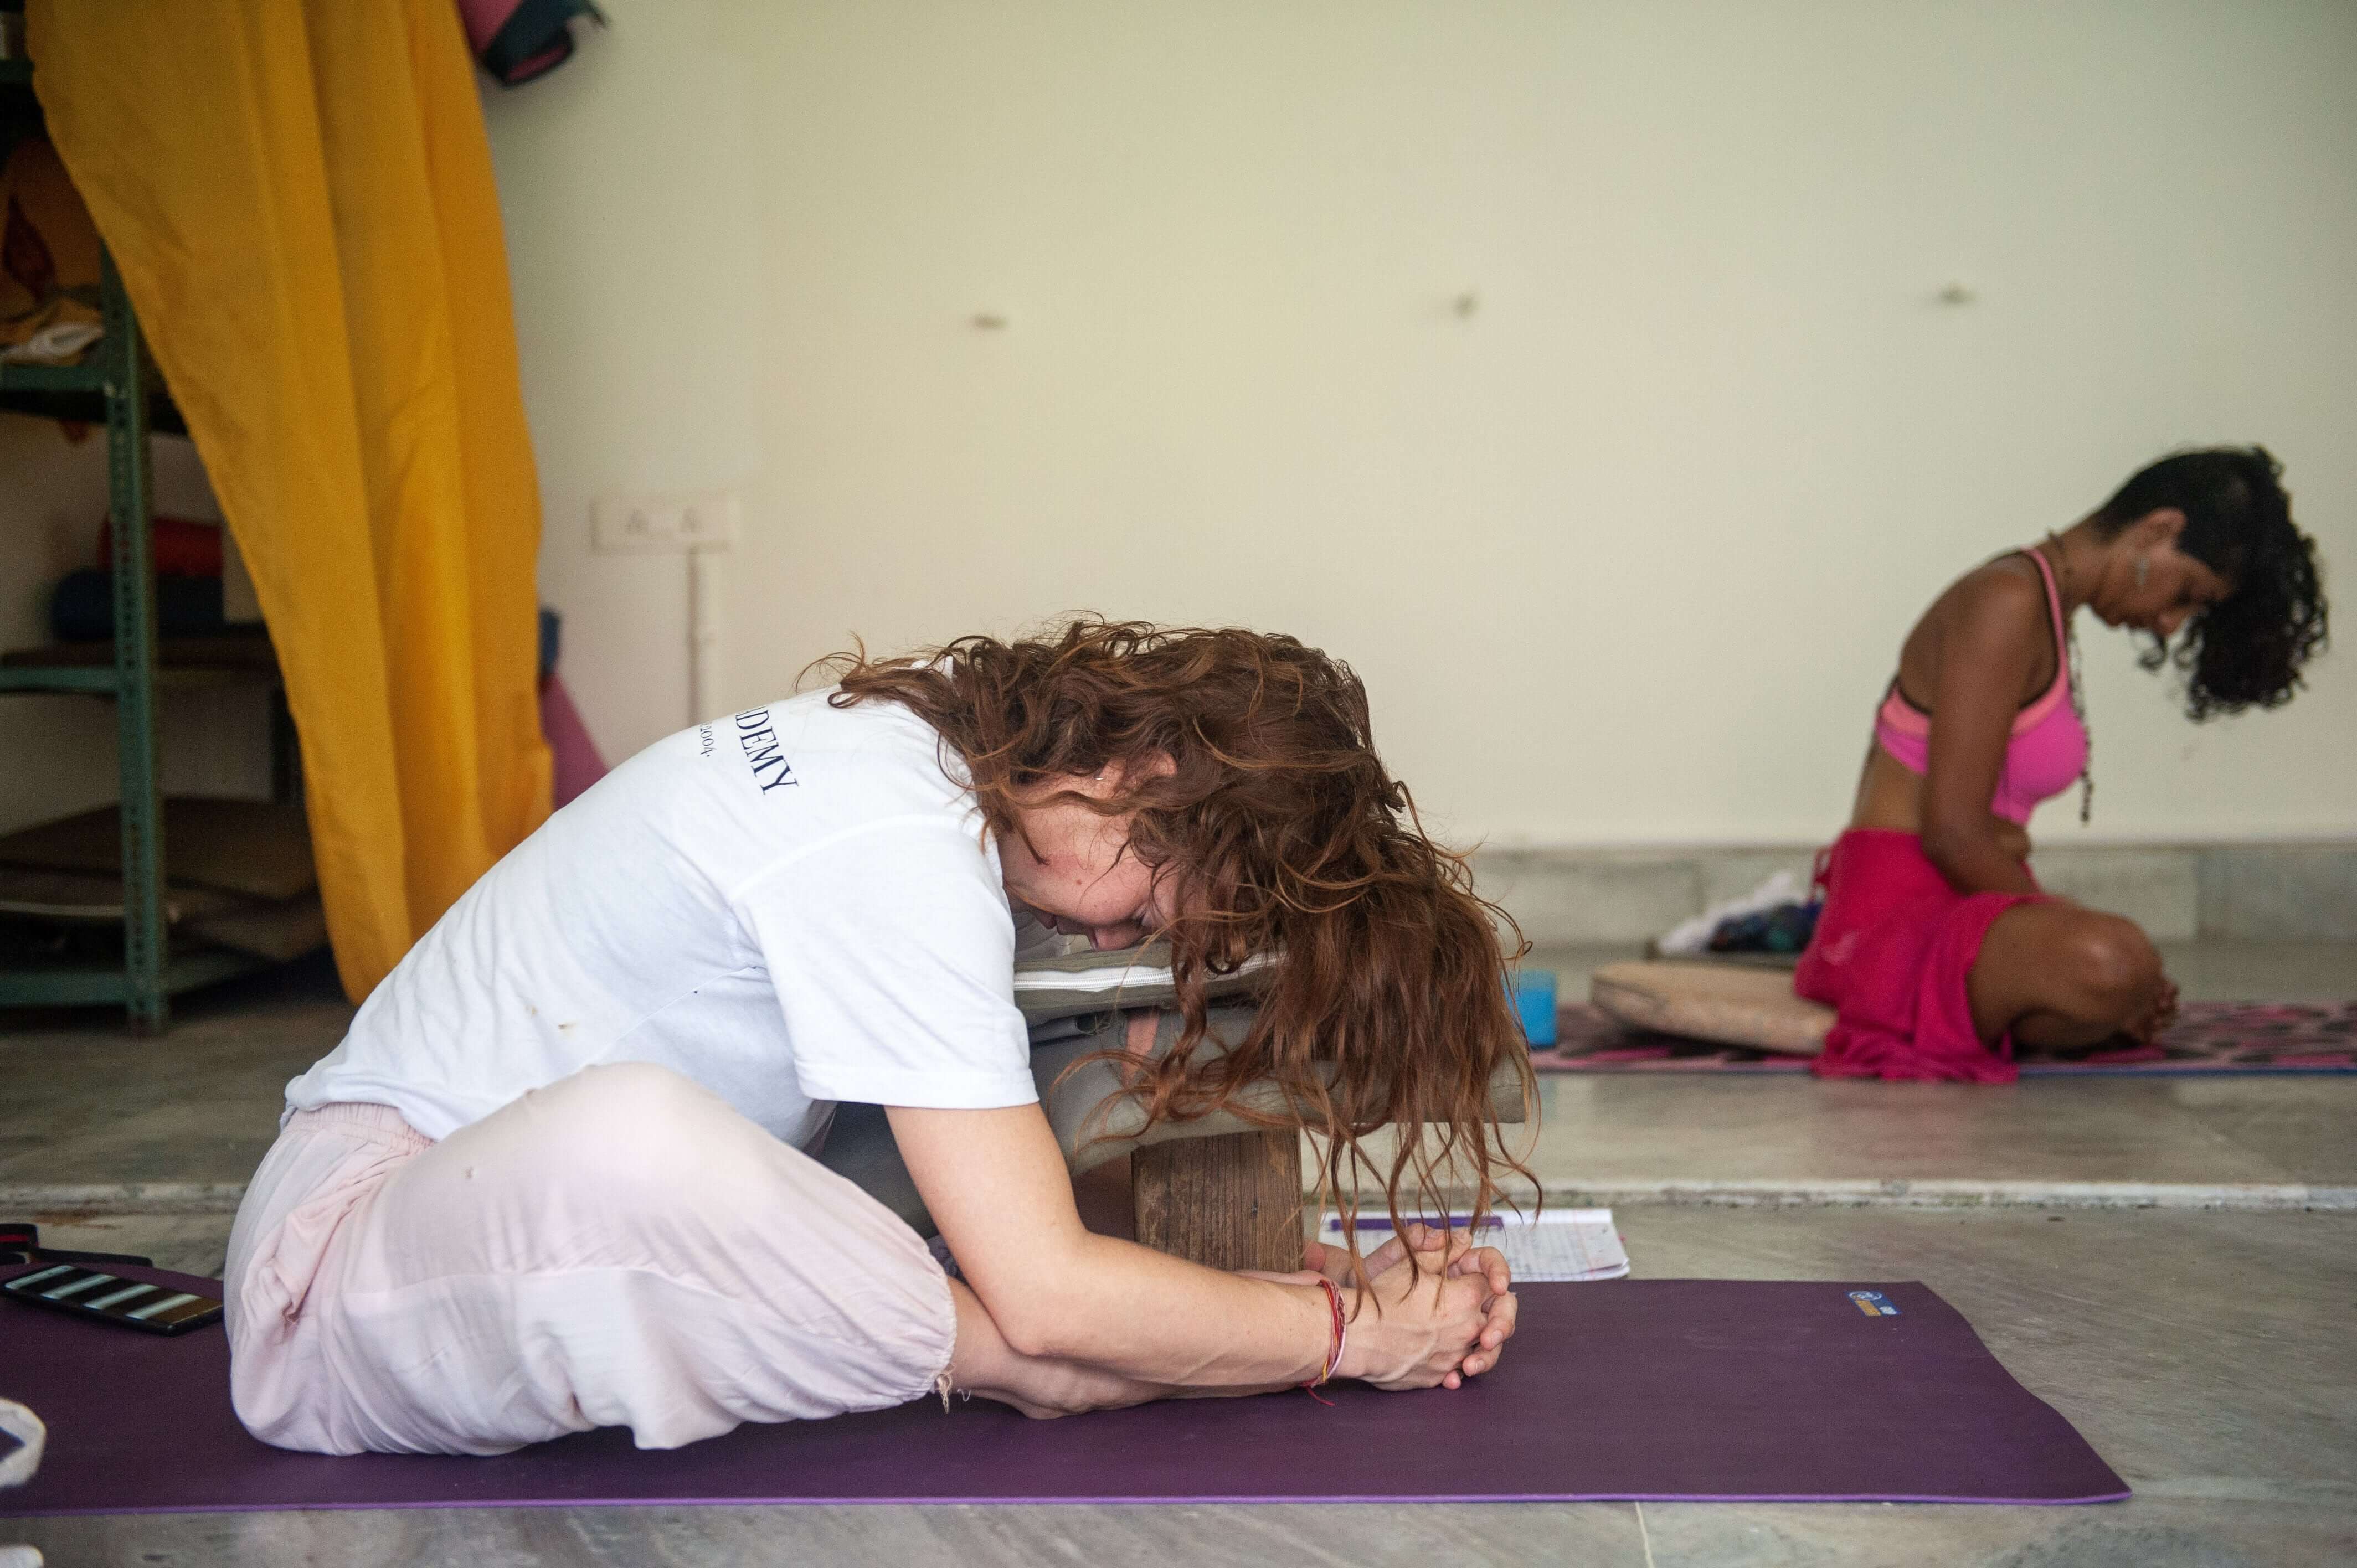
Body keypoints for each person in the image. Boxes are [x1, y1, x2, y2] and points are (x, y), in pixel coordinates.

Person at [223, 620, 1531, 1456]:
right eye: (1179, 899)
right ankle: (1052, 1371)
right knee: (649, 1135)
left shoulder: (909, 759)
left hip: (447, 1241)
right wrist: (1346, 1328)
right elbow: (1049, 1284)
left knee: (916, 1173)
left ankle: (1140, 1331)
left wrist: (1232, 1287)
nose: (1144, 931)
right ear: (1139, 786)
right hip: (338, 1286)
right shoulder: (894, 843)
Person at [1797, 448, 2327, 1082]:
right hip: (1892, 919)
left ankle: (2072, 990)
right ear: (2157, 529)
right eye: (2183, 595)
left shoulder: (2045, 611)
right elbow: (1952, 834)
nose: (2167, 625)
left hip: (1961, 905)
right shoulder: (2005, 600)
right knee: (2111, 960)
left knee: (2115, 975)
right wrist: (2072, 930)